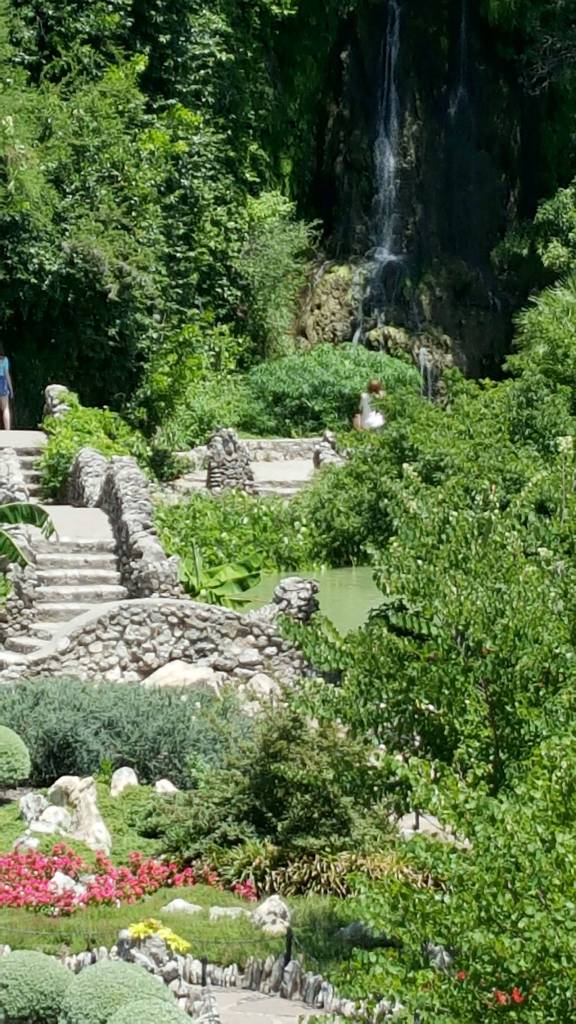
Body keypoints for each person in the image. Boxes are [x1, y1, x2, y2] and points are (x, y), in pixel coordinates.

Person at [0, 347, 13, 430]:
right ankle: (7, 430)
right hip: (2, 382)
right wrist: (11, 389)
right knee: (5, 408)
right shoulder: (4, 360)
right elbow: (7, 375)